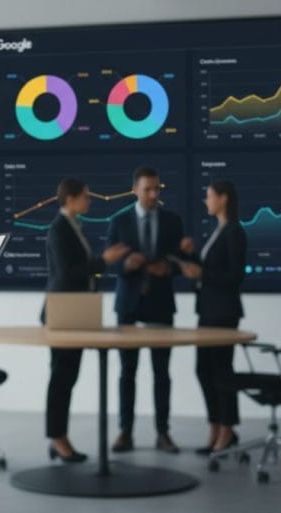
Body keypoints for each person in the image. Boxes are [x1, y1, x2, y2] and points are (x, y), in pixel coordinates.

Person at [42, 177, 130, 463]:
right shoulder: (59, 229)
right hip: (64, 312)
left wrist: (101, 263)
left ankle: (59, 437)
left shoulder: (73, 225)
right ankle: (58, 439)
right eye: (86, 197)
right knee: (61, 377)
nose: (90, 201)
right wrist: (105, 260)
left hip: (74, 311)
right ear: (71, 199)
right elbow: (68, 272)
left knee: (67, 376)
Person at [105, 165, 185, 453]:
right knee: (127, 371)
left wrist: (170, 268)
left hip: (161, 305)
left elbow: (182, 260)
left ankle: (163, 433)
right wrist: (125, 264)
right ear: (134, 190)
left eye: (156, 189)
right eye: (147, 189)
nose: (153, 194)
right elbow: (109, 261)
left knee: (162, 372)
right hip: (128, 305)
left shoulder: (173, 221)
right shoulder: (119, 221)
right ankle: (125, 432)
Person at [179, 181, 248, 455]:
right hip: (208, 312)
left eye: (209, 196)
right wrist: (192, 257)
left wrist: (202, 274)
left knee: (221, 372)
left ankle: (227, 429)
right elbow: (213, 269)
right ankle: (216, 426)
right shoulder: (219, 230)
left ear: (223, 198)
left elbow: (235, 276)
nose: (206, 201)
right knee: (204, 370)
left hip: (223, 313)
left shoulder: (234, 232)